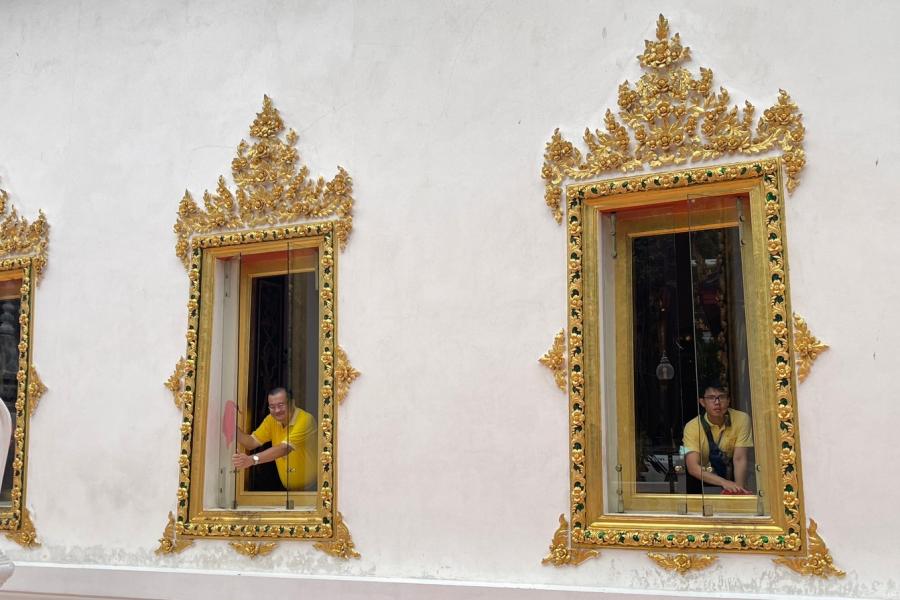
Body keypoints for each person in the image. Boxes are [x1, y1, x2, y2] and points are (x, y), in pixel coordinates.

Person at [232, 387, 317, 491]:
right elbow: (251, 442)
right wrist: (230, 426)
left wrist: (251, 460)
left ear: (292, 403)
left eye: (281, 405)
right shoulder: (271, 420)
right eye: (272, 407)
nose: (277, 410)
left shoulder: (306, 420)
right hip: (289, 491)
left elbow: (284, 448)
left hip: (312, 489)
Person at [682, 382, 753, 494]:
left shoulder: (742, 419)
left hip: (731, 477)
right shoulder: (691, 427)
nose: (717, 402)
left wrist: (738, 490)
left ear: (728, 400)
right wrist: (724, 482)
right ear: (702, 402)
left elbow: (739, 458)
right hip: (702, 482)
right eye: (711, 398)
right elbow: (693, 467)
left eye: (722, 397)